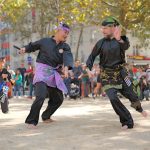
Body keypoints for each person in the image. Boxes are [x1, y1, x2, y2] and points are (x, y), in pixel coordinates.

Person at [86, 16, 147, 129]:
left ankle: (139, 109)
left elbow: (126, 46)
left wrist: (119, 39)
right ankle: (127, 121)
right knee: (113, 98)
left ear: (114, 28)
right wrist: (88, 68)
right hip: (107, 76)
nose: (103, 30)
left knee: (133, 95)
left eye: (106, 28)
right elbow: (92, 56)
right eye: (102, 28)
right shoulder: (100, 43)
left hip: (122, 74)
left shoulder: (122, 40)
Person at [18, 22, 73, 128]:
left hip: (53, 74)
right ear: (58, 31)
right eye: (65, 32)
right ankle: (31, 121)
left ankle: (46, 116)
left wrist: (66, 69)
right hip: (42, 73)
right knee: (41, 96)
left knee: (59, 99)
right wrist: (24, 49)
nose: (66, 35)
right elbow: (32, 46)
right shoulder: (45, 41)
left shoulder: (65, 47)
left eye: (68, 33)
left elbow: (67, 58)